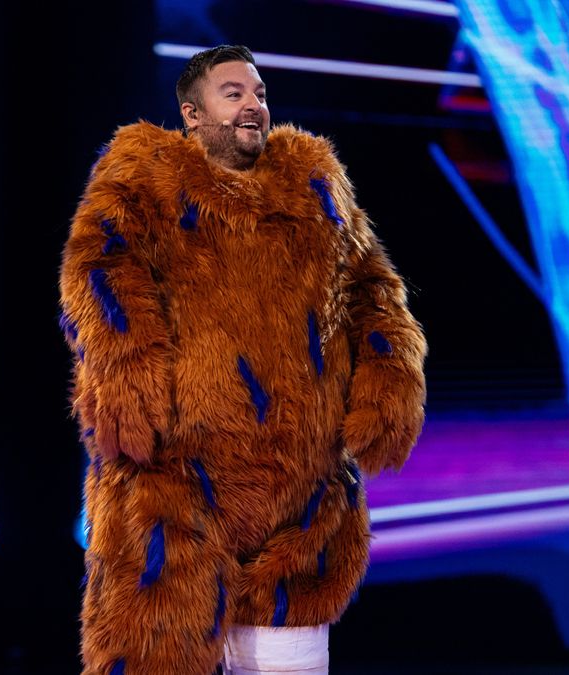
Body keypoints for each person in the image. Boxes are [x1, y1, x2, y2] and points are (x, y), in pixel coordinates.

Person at [59, 45, 426, 674]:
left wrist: (390, 382)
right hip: (174, 495)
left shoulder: (315, 191)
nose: (254, 104)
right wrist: (123, 380)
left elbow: (373, 290)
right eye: (234, 93)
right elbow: (95, 275)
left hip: (296, 502)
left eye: (260, 93)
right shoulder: (142, 185)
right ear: (192, 114)